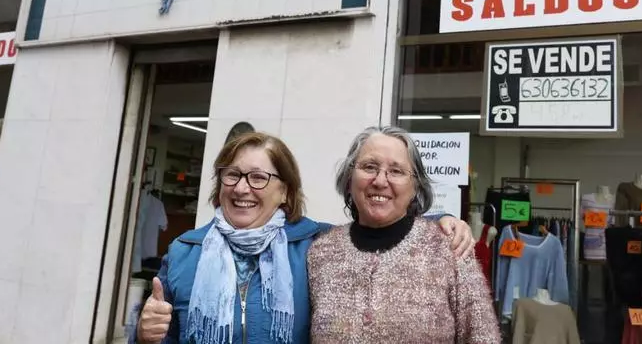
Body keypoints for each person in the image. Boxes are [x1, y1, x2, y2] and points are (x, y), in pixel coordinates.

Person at [135, 131, 474, 343]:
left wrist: (441, 220)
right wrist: (144, 335)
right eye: (232, 175)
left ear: (284, 191)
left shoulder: (317, 245)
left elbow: (380, 230)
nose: (242, 188)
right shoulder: (184, 251)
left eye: (258, 178)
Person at [307, 126, 500, 343]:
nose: (380, 181)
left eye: (396, 171)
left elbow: (483, 337)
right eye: (369, 167)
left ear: (415, 186)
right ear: (349, 178)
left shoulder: (450, 249)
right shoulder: (321, 254)